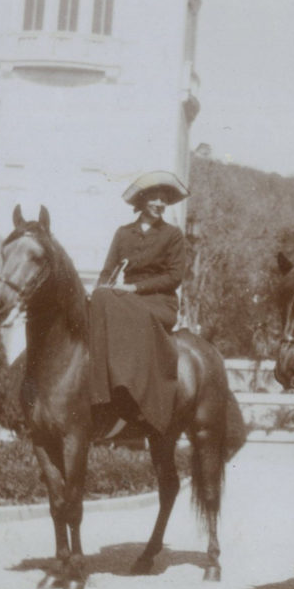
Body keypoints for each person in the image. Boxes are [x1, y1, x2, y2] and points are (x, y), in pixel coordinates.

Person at [89, 170, 187, 434]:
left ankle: (136, 396)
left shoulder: (172, 235)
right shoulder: (123, 233)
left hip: (159, 301)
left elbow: (174, 277)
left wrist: (134, 287)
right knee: (99, 298)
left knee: (129, 311)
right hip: (128, 298)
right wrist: (98, 291)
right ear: (142, 201)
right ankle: (98, 393)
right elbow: (107, 269)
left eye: (164, 199)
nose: (160, 204)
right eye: (154, 198)